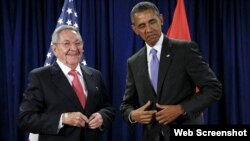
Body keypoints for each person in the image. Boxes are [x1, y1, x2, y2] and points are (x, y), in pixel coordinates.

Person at [120, 2, 222, 141]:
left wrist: (181, 109)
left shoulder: (185, 50)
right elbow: (126, 105)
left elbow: (213, 88)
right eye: (142, 26)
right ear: (135, 29)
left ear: (161, 19)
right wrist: (133, 115)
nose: (148, 29)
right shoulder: (134, 62)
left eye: (152, 22)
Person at [18, 25, 115, 141]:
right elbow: (25, 118)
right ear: (54, 49)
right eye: (66, 43)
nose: (74, 48)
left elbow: (107, 107)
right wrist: (62, 119)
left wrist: (102, 116)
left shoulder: (95, 75)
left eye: (78, 43)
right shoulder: (40, 77)